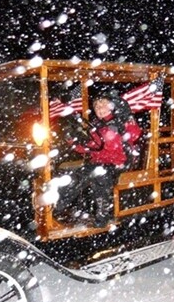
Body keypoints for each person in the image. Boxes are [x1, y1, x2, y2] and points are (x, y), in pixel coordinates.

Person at [56, 93, 142, 227]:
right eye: (96, 106)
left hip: (118, 162)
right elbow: (89, 147)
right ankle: (64, 205)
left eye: (103, 105)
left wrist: (126, 118)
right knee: (77, 173)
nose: (99, 109)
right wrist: (72, 140)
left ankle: (103, 215)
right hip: (100, 162)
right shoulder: (96, 124)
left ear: (112, 106)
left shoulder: (119, 121)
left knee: (99, 175)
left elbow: (126, 137)